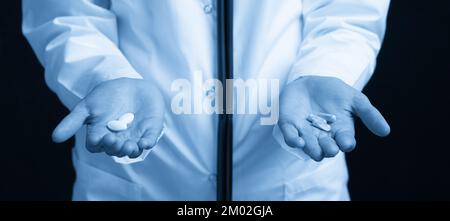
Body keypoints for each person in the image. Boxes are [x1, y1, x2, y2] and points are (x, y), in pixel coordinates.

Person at [22, 0, 390, 200]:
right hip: (140, 178)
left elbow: (347, 10)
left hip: (288, 178)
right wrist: (103, 74)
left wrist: (327, 68)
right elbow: (66, 13)